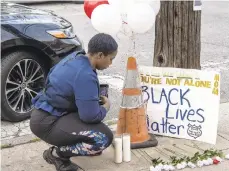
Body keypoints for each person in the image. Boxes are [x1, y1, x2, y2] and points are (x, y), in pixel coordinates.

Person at [30, 33, 118, 171]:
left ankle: (81, 145)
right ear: (100, 55)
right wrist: (106, 107)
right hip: (48, 123)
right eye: (111, 59)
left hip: (46, 113)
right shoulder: (85, 75)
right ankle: (57, 154)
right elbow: (90, 116)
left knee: (95, 127)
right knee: (103, 137)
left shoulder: (76, 57)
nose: (111, 64)